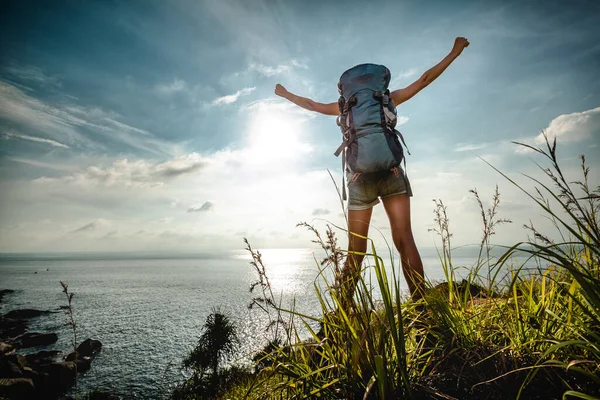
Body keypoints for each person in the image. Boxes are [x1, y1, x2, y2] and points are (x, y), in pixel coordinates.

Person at [275, 37, 470, 306]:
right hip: (391, 172)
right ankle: (422, 308)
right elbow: (424, 80)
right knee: (404, 240)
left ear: (348, 91)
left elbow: (311, 105)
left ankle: (342, 313)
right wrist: (454, 53)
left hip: (359, 178)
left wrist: (286, 94)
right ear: (380, 82)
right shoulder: (388, 99)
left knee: (356, 250)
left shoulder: (343, 108)